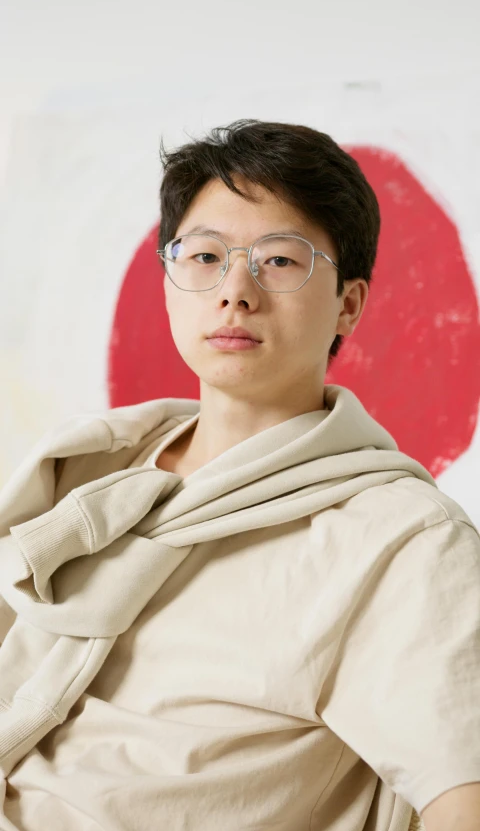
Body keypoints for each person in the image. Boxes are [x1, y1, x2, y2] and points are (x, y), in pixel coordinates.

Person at [0, 120, 479, 831]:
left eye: (281, 261)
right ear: (168, 282)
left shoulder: (403, 540)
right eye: (204, 256)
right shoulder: (92, 471)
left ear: (349, 304)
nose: (235, 291)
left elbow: (463, 794)